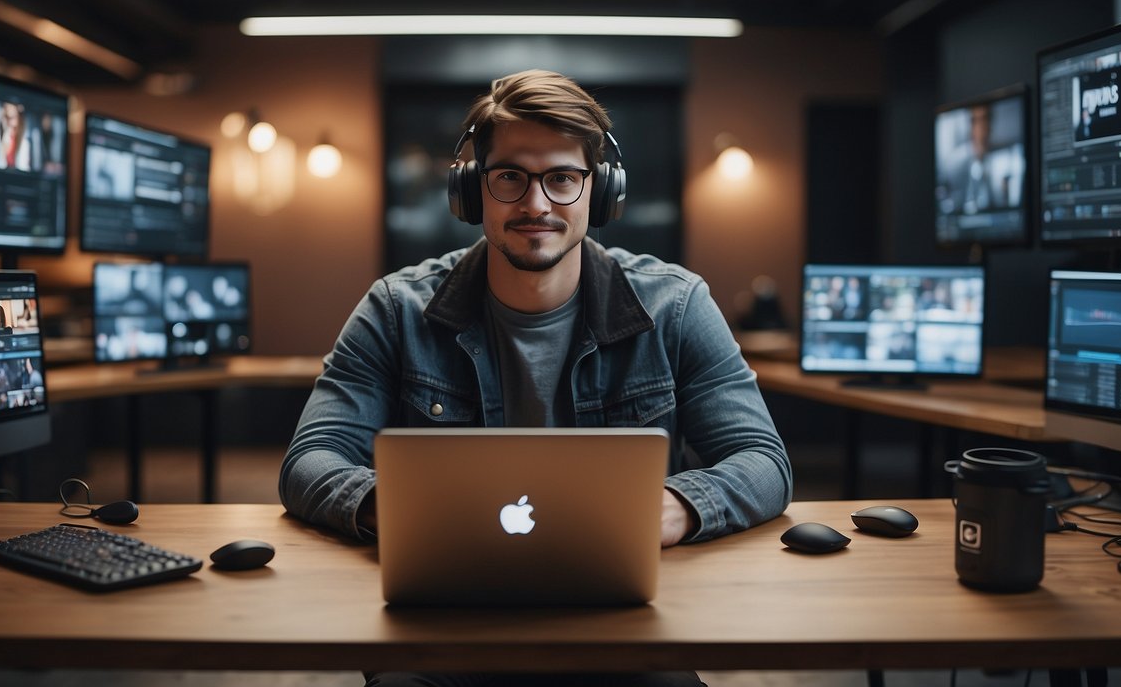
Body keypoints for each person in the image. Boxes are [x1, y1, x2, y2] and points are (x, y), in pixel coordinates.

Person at [279, 69, 792, 687]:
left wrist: (677, 507)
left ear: (598, 193)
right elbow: (310, 458)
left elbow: (762, 458)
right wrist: (403, 511)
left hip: (621, 628)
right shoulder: (396, 308)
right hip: (442, 625)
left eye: (563, 178)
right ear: (474, 191)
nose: (536, 204)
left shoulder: (676, 306)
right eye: (510, 177)